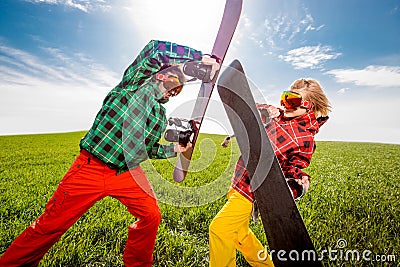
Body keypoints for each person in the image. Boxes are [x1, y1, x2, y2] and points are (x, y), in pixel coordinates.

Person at [0, 40, 219, 267]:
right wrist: (196, 59)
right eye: (174, 82)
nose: (174, 91)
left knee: (151, 215)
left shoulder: (159, 115)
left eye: (178, 90)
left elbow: (150, 148)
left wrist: (175, 148)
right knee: (51, 224)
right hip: (90, 168)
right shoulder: (132, 85)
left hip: (128, 173)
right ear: (160, 75)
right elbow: (155, 49)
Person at [209, 78, 331, 266]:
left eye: (293, 101)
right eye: (285, 98)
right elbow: (248, 107)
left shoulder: (305, 137)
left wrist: (297, 185)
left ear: (309, 106)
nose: (285, 105)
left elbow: (295, 169)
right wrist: (265, 110)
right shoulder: (276, 115)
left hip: (252, 191)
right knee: (240, 234)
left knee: (219, 229)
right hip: (238, 182)